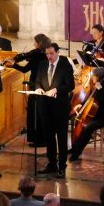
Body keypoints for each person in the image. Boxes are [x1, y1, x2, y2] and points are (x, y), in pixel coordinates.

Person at [34, 43, 74, 177]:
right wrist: (38, 88)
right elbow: (37, 81)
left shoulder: (65, 66)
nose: (49, 56)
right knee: (49, 137)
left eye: (51, 53)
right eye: (47, 54)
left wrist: (56, 90)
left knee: (61, 138)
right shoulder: (42, 65)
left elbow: (70, 85)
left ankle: (62, 166)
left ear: (57, 53)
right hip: (45, 107)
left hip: (60, 108)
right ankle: (52, 163)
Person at [10, 33, 52, 147]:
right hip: (45, 85)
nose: (34, 45)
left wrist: (13, 64)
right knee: (42, 112)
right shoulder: (47, 53)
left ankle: (38, 140)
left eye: (35, 43)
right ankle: (44, 139)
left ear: (40, 44)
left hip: (35, 85)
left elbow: (24, 69)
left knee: (35, 113)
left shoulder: (37, 55)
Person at [70, 67, 104, 161]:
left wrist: (98, 87)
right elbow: (90, 98)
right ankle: (75, 147)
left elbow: (98, 99)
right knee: (77, 121)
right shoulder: (99, 85)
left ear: (98, 77)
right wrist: (81, 105)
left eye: (93, 77)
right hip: (98, 115)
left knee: (88, 128)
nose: (92, 79)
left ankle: (77, 152)